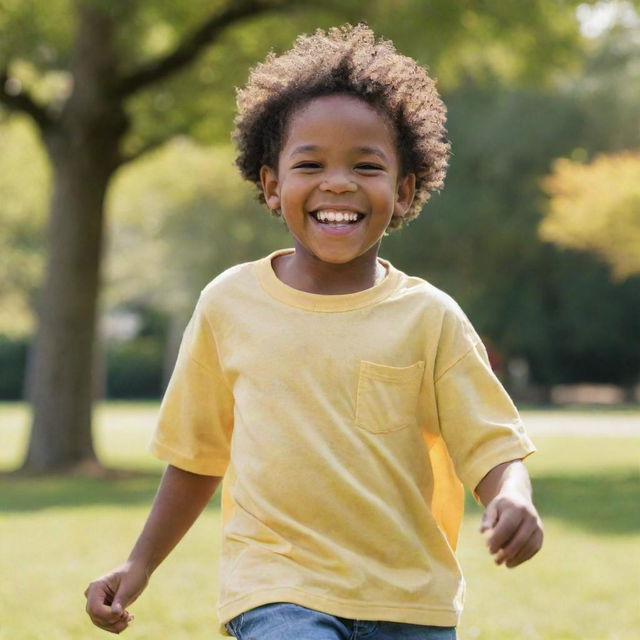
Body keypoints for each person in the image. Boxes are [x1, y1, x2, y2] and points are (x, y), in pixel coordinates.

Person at [85, 24, 543, 639]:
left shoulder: (428, 316)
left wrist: (513, 495)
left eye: (366, 165)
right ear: (272, 185)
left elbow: (490, 444)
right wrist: (140, 562)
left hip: (409, 601)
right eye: (310, 163)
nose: (338, 182)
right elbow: (197, 456)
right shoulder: (229, 304)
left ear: (404, 191)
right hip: (276, 587)